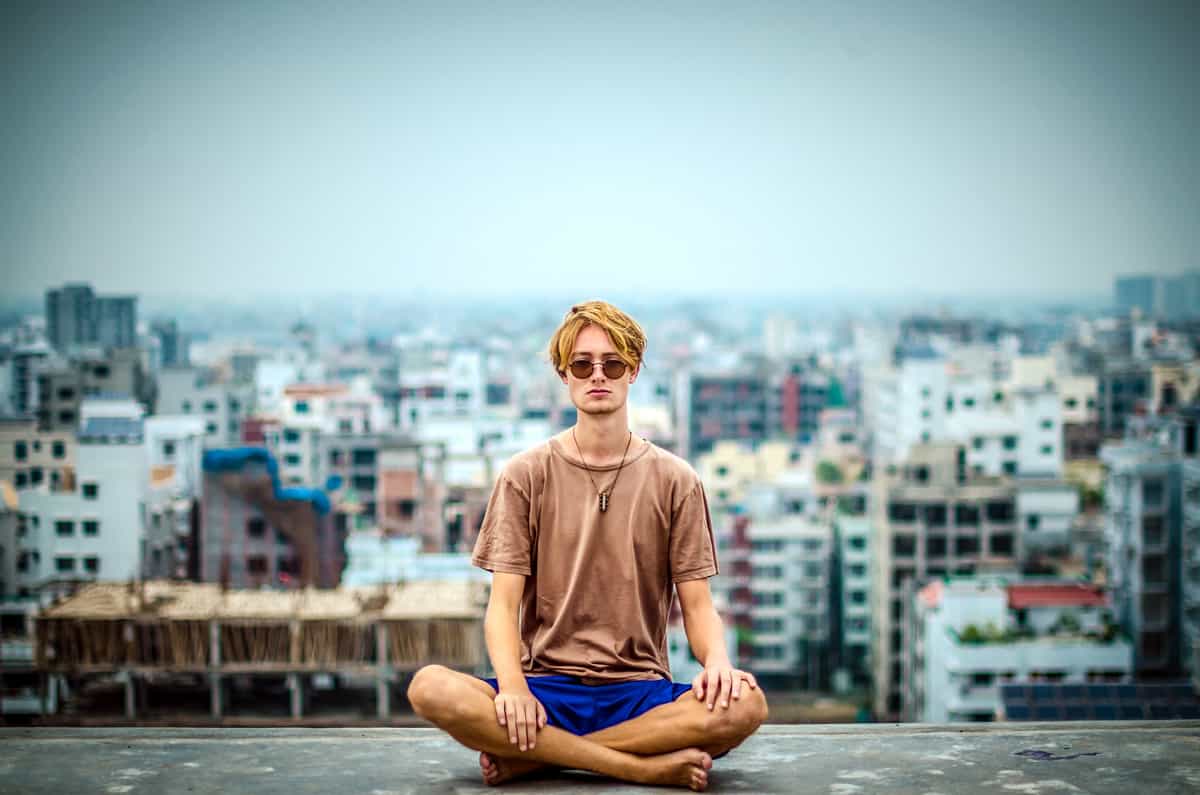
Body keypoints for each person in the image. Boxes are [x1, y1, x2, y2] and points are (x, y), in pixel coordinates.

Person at [407, 300, 767, 791]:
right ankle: (636, 764)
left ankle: (541, 758)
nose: (597, 375)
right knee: (429, 687)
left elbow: (698, 607)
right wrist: (513, 690)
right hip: (545, 689)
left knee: (747, 704)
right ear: (564, 374)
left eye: (612, 363)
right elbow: (503, 605)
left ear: (633, 370)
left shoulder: (675, 480)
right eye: (582, 364)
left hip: (640, 691)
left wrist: (719, 665)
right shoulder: (524, 475)